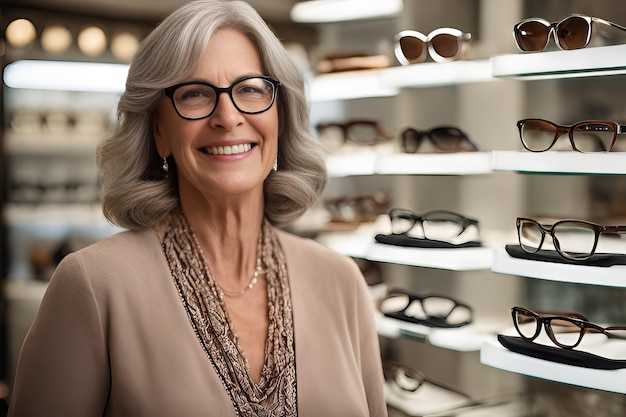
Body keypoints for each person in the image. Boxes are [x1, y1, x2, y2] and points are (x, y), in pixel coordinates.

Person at [8, 1, 387, 416]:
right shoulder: (93, 286)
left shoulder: (341, 282)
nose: (228, 116)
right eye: (194, 94)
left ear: (280, 116)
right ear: (159, 133)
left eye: (251, 89)